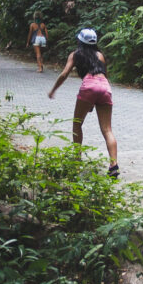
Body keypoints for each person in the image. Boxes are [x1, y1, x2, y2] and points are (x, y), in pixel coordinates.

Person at [48, 28, 119, 178]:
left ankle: (77, 160)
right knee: (107, 129)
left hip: (88, 87)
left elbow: (64, 73)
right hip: (105, 86)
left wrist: (53, 89)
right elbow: (104, 75)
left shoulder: (75, 55)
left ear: (79, 41)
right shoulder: (100, 55)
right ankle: (114, 165)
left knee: (77, 123)